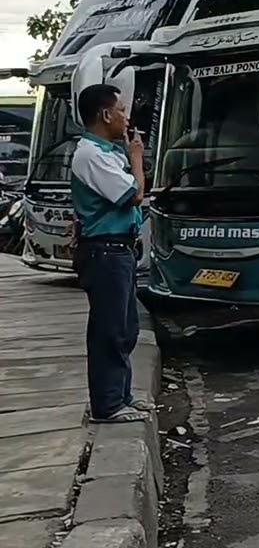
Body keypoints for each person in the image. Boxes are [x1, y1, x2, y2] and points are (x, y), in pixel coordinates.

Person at [70, 84, 151, 423]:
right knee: (110, 331)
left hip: (119, 250)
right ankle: (107, 405)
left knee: (125, 328)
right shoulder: (90, 154)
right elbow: (131, 194)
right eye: (120, 110)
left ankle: (121, 396)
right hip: (105, 253)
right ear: (105, 114)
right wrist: (136, 158)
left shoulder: (105, 152)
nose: (125, 117)